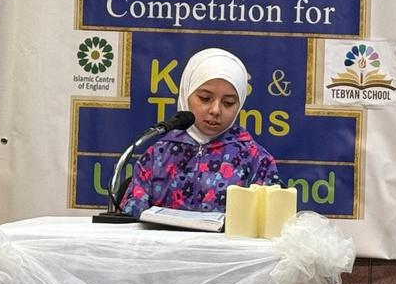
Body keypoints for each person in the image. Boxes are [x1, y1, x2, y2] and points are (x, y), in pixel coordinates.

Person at [120, 47, 281, 216]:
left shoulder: (255, 159)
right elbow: (130, 218)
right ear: (186, 93)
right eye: (205, 98)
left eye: (228, 103)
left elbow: (270, 221)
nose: (215, 110)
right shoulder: (158, 155)